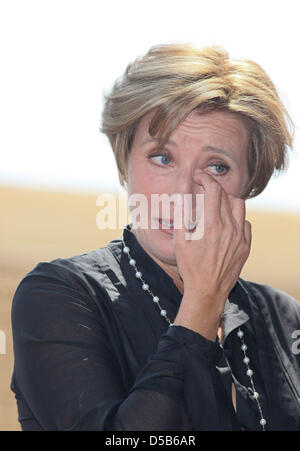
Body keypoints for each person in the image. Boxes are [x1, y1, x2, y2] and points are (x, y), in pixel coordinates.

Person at [11, 43, 300, 431]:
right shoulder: (59, 296)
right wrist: (202, 302)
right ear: (124, 163)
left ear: (250, 183)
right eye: (162, 157)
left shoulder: (283, 316)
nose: (181, 192)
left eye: (217, 166)